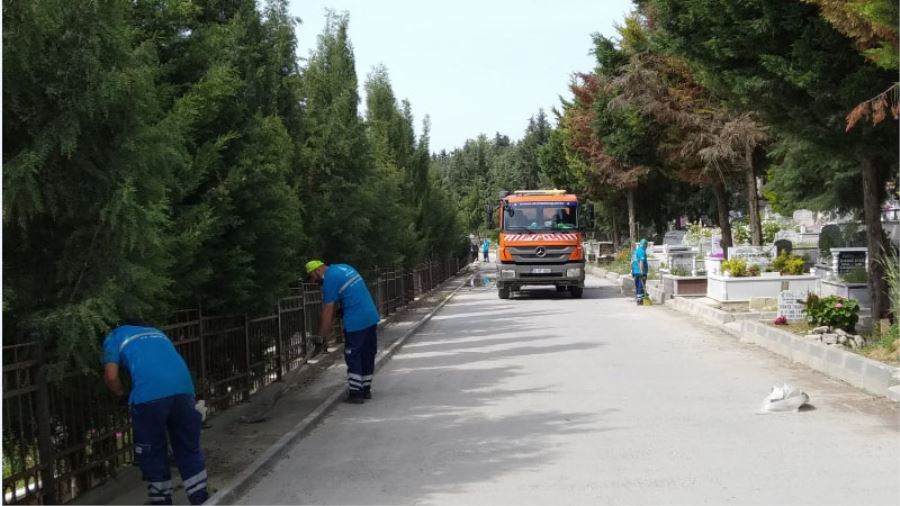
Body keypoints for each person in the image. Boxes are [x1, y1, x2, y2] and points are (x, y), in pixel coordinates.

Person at [102, 323, 208, 505]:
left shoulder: (114, 336)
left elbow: (111, 376)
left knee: (152, 450)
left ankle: (161, 500)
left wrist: (120, 395)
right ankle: (201, 499)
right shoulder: (156, 332)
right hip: (184, 389)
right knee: (187, 446)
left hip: (149, 395)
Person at [307, 260, 381, 404]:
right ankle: (365, 389)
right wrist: (344, 308)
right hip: (370, 315)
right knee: (367, 352)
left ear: (317, 271)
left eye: (314, 278)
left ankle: (355, 393)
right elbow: (353, 292)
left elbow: (328, 311)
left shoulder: (329, 279)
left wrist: (321, 336)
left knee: (353, 354)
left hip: (356, 321)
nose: (316, 282)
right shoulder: (344, 267)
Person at [631, 239, 649, 306]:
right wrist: (641, 272)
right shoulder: (642, 251)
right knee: (641, 286)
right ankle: (640, 300)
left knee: (637, 286)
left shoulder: (636, 251)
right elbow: (641, 262)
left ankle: (638, 299)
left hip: (635, 271)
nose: (646, 247)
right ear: (644, 245)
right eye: (646, 245)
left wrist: (632, 271)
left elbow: (632, 262)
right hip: (641, 272)